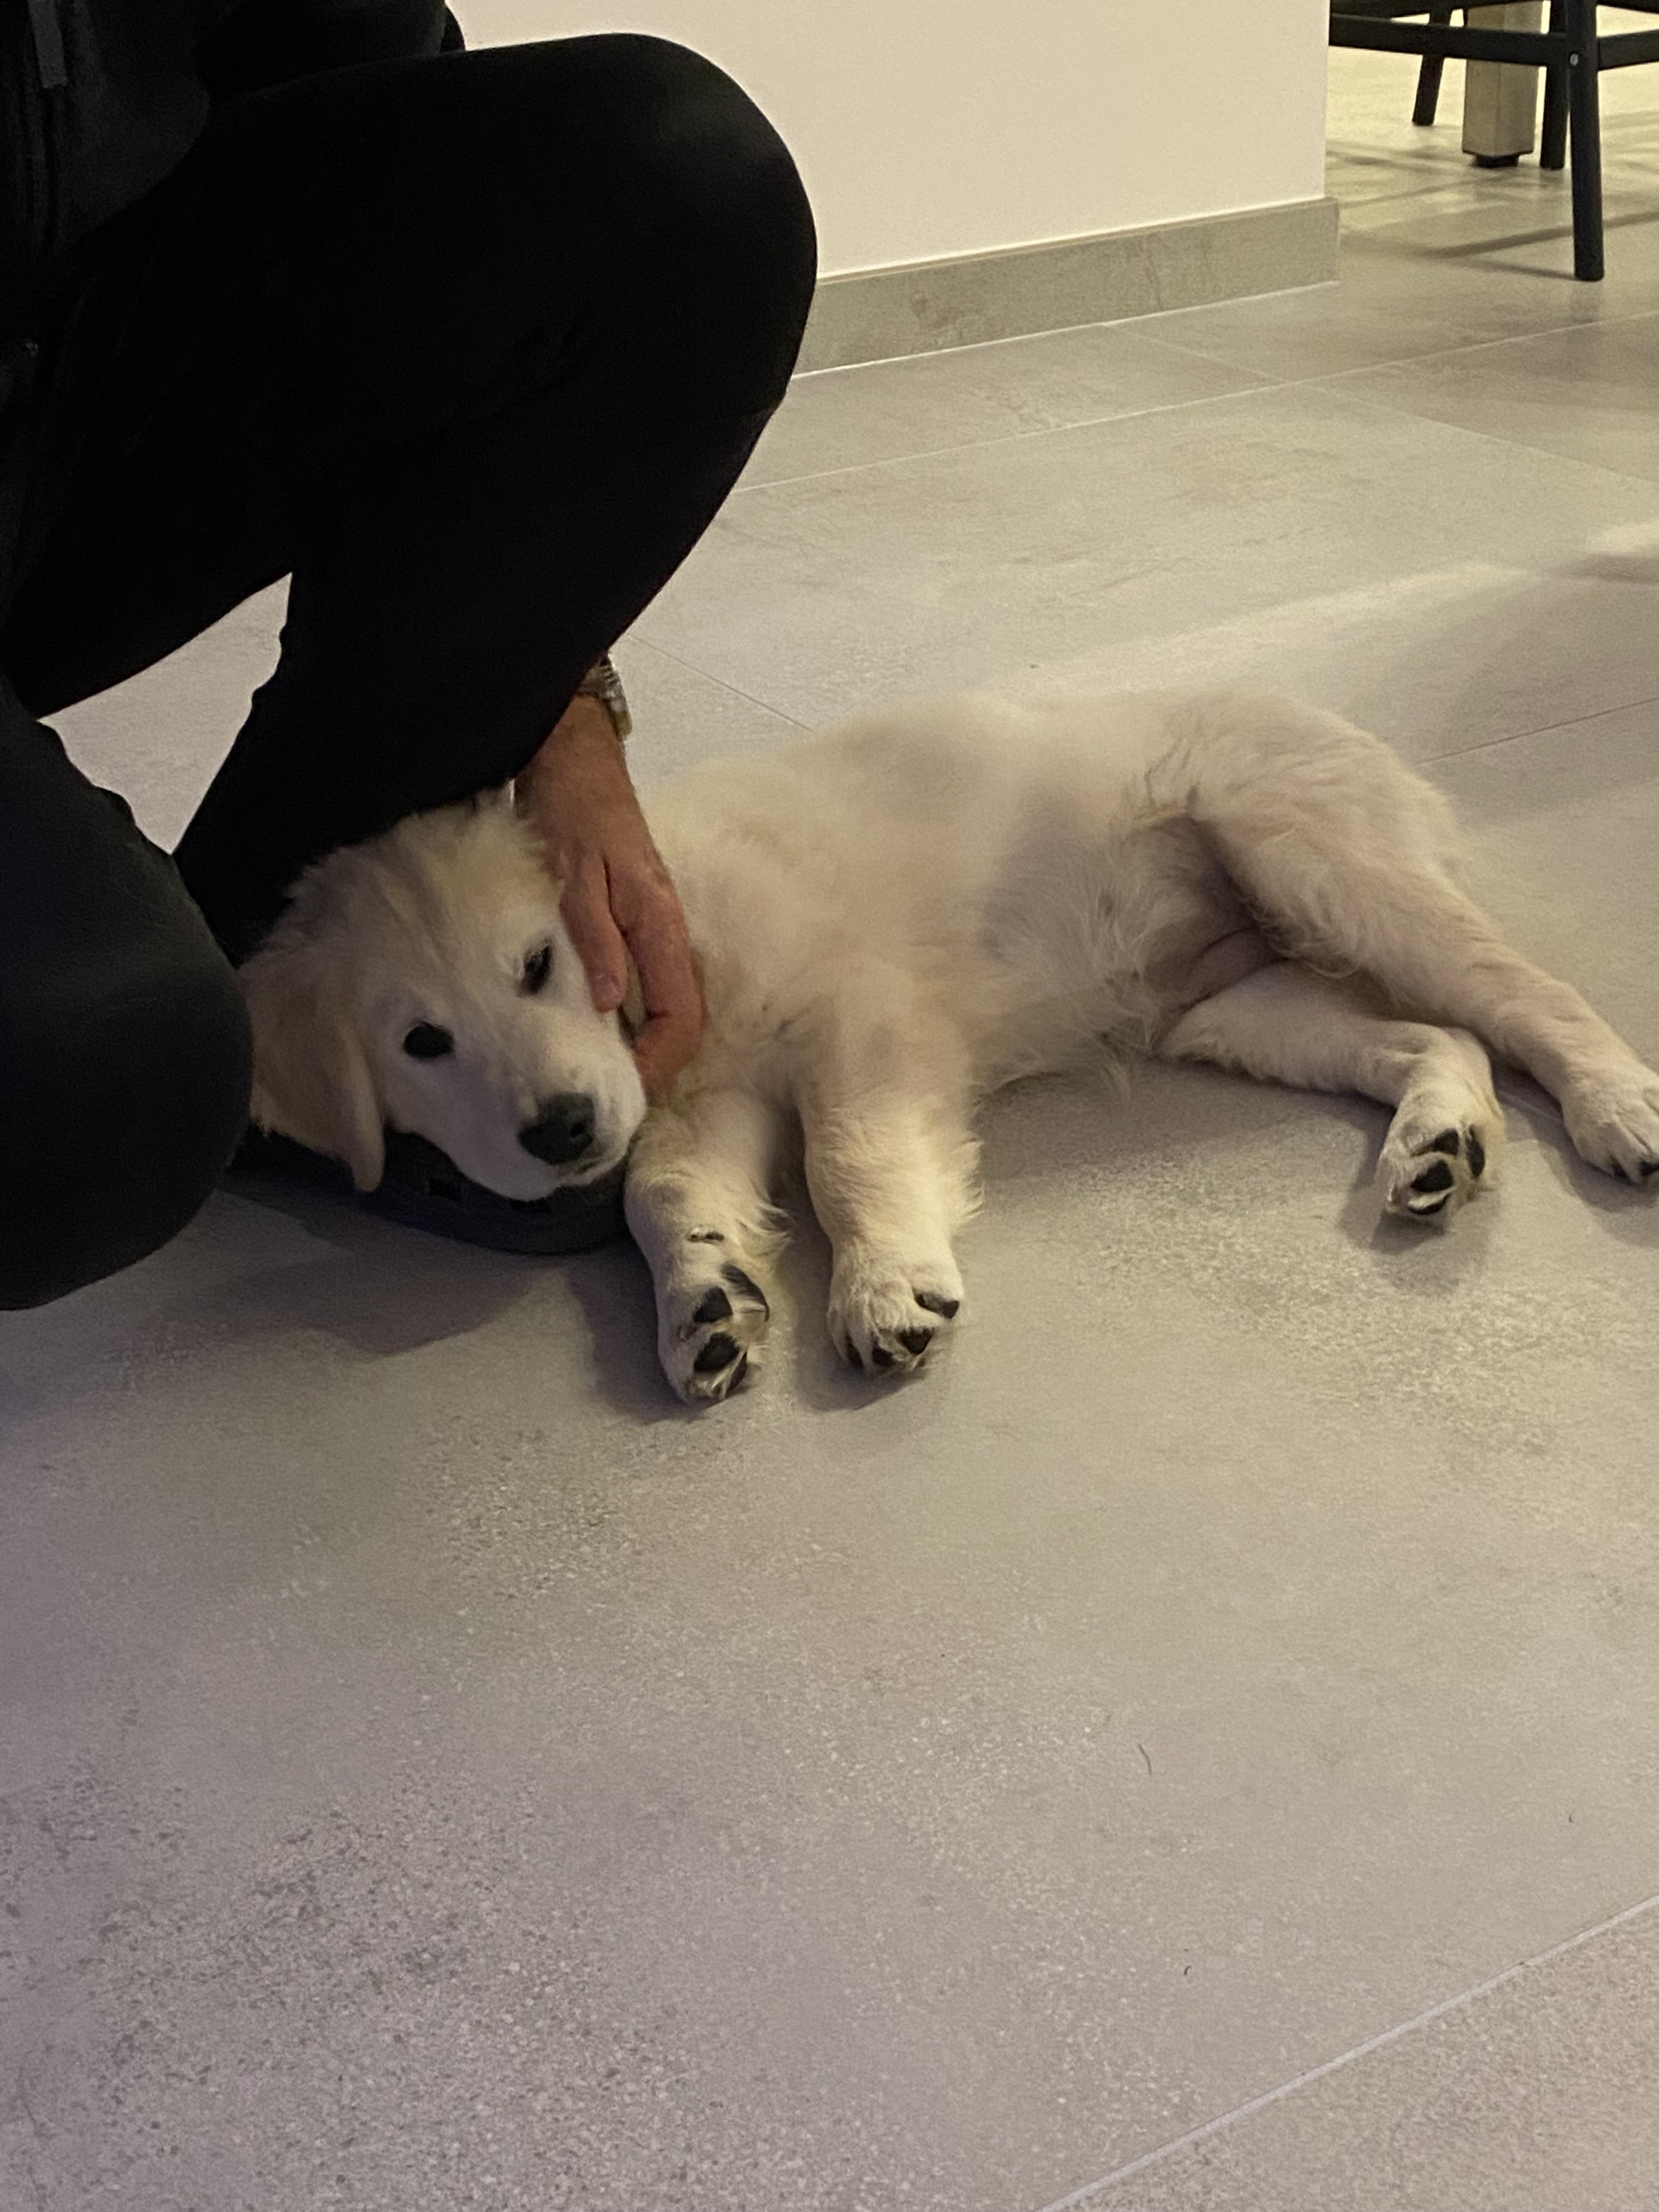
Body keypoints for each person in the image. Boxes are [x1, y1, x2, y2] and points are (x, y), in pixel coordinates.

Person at [0, 2, 815, 1310]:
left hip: (63, 372)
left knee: (676, 185)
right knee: (88, 1090)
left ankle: (295, 989)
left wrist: (554, 692)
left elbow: (372, 85)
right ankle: (203, 1036)